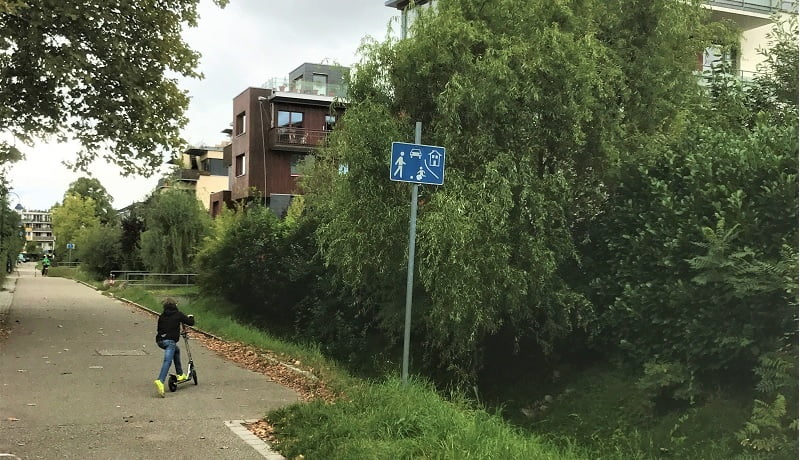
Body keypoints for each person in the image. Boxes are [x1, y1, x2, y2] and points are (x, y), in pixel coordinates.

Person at [153, 298, 195, 397]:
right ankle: (160, 380)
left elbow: (158, 329)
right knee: (167, 360)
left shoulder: (162, 316)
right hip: (170, 342)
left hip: (160, 341)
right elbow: (190, 322)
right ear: (175, 305)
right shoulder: (178, 314)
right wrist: (191, 317)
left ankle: (180, 374)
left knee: (176, 350)